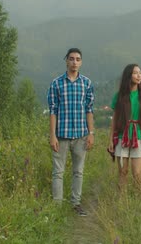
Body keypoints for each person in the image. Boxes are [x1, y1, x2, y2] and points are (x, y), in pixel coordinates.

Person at [47, 48, 95, 216]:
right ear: (66, 61)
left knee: (78, 171)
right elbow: (53, 111)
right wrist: (52, 135)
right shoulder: (56, 84)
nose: (74, 62)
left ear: (81, 62)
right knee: (58, 172)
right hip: (61, 135)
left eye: (78, 59)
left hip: (81, 135)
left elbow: (89, 110)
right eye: (72, 59)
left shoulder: (87, 83)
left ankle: (76, 204)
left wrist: (91, 133)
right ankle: (57, 207)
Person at [107, 64, 141, 190]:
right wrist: (111, 139)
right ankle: (122, 201)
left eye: (140, 73)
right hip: (122, 136)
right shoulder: (120, 95)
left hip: (138, 136)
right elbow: (115, 119)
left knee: (137, 174)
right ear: (129, 76)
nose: (139, 76)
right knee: (123, 172)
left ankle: (140, 200)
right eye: (135, 73)